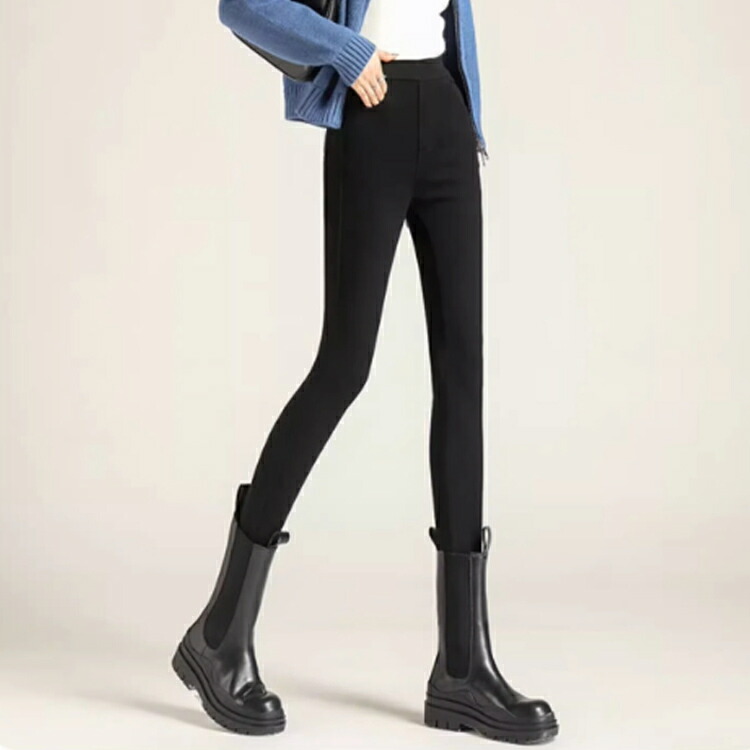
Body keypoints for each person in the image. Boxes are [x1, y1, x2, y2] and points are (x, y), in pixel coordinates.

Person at [172, 0, 559, 743]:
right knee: (344, 365)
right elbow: (241, 5)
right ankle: (219, 635)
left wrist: (466, 107)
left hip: (446, 113)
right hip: (371, 113)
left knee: (463, 374)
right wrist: (344, 51)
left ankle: (463, 669)